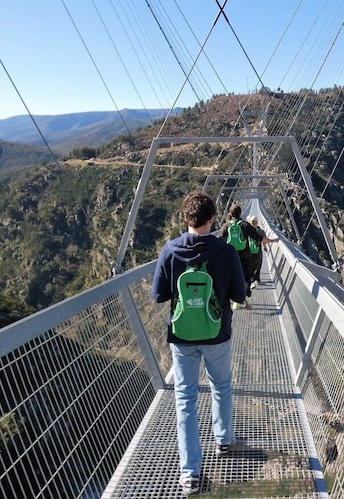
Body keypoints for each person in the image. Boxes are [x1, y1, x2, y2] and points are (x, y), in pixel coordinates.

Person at [151, 191, 246, 496]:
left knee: (185, 400)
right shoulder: (226, 251)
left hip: (181, 337)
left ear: (185, 218)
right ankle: (223, 440)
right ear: (212, 219)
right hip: (217, 334)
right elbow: (240, 295)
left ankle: (190, 474)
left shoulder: (170, 250)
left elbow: (158, 296)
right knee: (221, 386)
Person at [218, 205, 277, 309]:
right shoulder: (245, 225)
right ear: (240, 214)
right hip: (246, 257)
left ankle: (236, 301)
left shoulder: (226, 225)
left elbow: (219, 240)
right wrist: (273, 241)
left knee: (234, 278)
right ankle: (246, 298)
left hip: (231, 256)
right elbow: (260, 238)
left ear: (230, 214)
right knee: (246, 278)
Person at [248, 215, 266, 288]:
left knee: (251, 266)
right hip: (258, 251)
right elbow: (264, 240)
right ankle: (257, 279)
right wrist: (265, 247)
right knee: (258, 265)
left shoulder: (247, 230)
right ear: (257, 223)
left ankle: (252, 280)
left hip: (250, 251)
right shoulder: (261, 231)